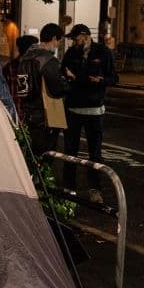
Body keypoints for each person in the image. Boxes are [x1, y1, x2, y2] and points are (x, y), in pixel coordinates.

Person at [61, 23, 118, 202]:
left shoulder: (103, 52)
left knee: (95, 152)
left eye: (76, 38)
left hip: (94, 109)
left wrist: (100, 80)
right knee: (70, 150)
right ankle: (69, 187)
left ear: (85, 36)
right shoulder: (71, 54)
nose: (74, 42)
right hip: (73, 107)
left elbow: (114, 78)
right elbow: (65, 73)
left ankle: (95, 188)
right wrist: (75, 79)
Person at [15, 24, 70, 156]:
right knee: (46, 156)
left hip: (27, 114)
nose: (58, 45)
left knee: (31, 156)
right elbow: (56, 89)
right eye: (59, 41)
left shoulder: (25, 58)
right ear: (54, 38)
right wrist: (68, 82)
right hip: (44, 117)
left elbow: (22, 89)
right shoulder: (48, 60)